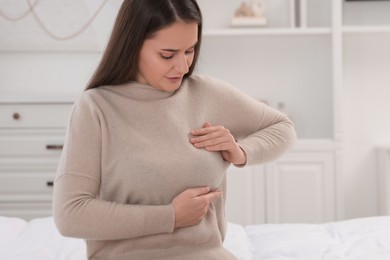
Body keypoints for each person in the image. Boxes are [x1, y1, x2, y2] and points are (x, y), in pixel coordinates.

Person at [52, 0, 296, 259]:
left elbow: (283, 127)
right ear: (132, 45)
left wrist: (240, 151)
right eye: (167, 55)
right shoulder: (96, 108)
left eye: (190, 51)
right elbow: (70, 215)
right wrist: (171, 216)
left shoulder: (205, 93)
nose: (183, 67)